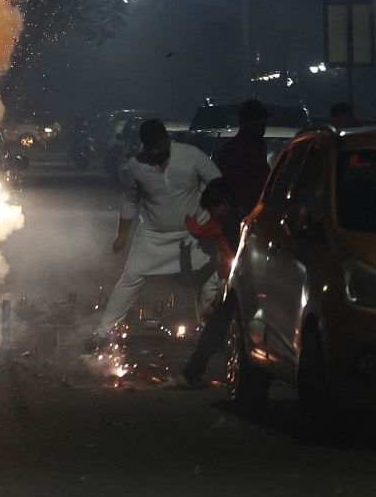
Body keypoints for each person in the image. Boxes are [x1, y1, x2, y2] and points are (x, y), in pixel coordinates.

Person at [87, 119, 221, 350]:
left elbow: (217, 183)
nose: (154, 152)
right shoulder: (135, 166)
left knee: (208, 281)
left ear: (168, 140)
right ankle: (103, 333)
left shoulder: (192, 156)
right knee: (130, 280)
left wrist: (214, 219)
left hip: (194, 234)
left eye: (159, 146)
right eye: (150, 147)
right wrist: (122, 235)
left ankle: (209, 335)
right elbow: (130, 200)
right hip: (153, 236)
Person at [181, 178, 238, 387]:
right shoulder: (218, 225)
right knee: (214, 324)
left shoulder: (217, 226)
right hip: (221, 277)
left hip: (223, 276)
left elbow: (198, 232)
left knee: (214, 323)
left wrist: (189, 217)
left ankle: (195, 369)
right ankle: (194, 370)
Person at [214, 100, 270, 247]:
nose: (262, 130)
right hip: (240, 216)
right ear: (247, 124)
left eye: (263, 125)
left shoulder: (259, 147)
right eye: (259, 125)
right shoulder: (233, 151)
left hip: (257, 214)